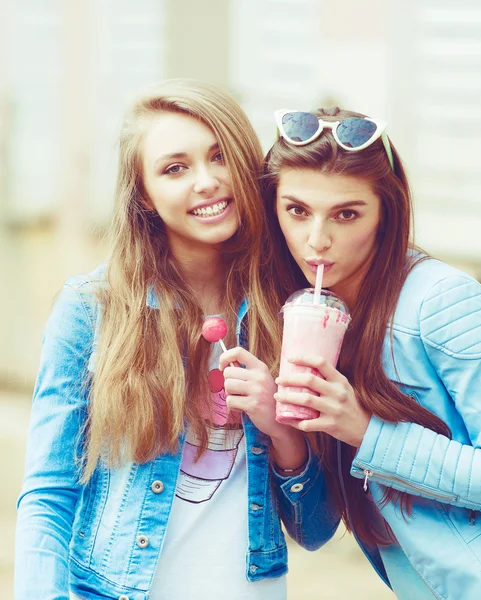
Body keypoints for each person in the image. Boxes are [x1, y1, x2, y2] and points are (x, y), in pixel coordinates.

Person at [14, 82, 337, 600]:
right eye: (175, 168)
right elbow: (49, 496)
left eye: (219, 157)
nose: (206, 182)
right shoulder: (92, 309)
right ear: (143, 192)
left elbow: (316, 529)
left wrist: (280, 428)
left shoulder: (293, 311)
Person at [260, 108, 481, 600]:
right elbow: (314, 533)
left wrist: (366, 431)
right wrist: (283, 436)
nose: (317, 240)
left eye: (347, 214)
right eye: (296, 211)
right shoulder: (306, 320)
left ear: (386, 214)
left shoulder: (442, 301)